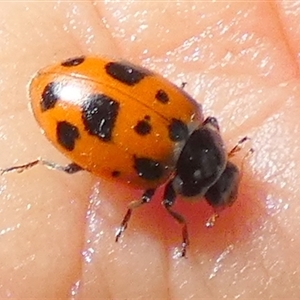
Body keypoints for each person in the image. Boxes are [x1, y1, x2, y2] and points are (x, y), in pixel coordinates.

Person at [0, 1, 298, 298]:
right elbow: (166, 205)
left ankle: (40, 162)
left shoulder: (189, 110)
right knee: (72, 167)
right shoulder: (157, 167)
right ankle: (39, 162)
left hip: (87, 83)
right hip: (71, 96)